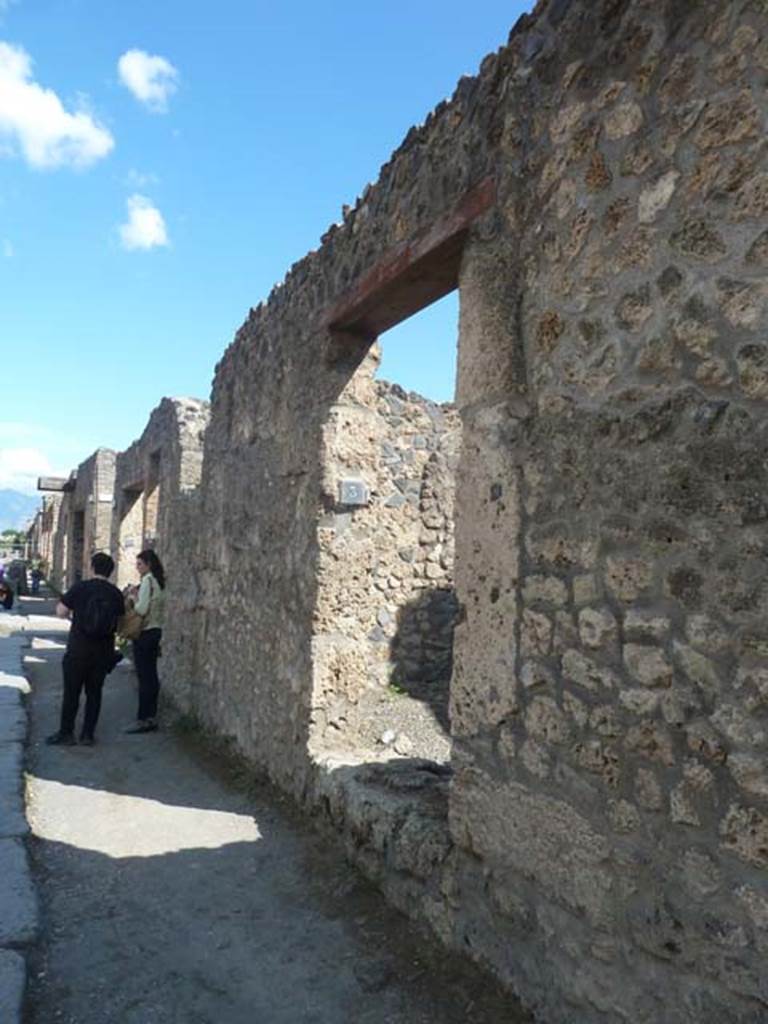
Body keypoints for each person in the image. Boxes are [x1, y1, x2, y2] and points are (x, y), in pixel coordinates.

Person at [46, 551, 125, 746]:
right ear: (111, 571)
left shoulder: (80, 588)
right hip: (102, 652)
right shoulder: (115, 593)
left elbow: (61, 612)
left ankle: (66, 733)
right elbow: (120, 623)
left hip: (78, 649)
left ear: (92, 567)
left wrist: (74, 616)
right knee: (94, 693)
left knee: (71, 693)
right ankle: (88, 734)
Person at [125, 549, 166, 734]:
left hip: (145, 633)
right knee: (151, 675)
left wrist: (133, 596)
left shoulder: (147, 581)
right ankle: (151, 716)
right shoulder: (158, 581)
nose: (137, 567)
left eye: (140, 564)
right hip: (156, 631)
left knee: (143, 676)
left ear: (148, 564)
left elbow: (141, 609)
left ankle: (143, 718)